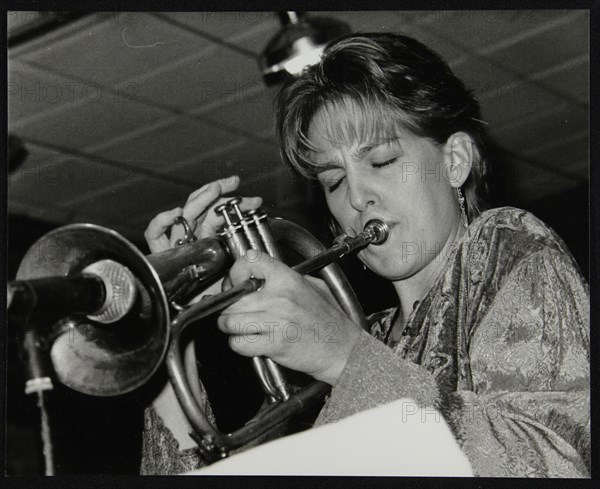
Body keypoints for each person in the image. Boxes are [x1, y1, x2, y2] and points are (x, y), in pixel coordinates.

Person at [141, 33, 590, 477]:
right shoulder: (367, 335)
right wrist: (169, 324)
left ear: (455, 160)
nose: (356, 197)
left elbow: (552, 463)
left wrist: (345, 357)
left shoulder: (504, 247)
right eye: (334, 181)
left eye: (382, 162)